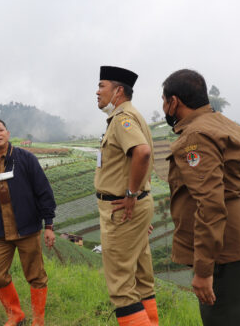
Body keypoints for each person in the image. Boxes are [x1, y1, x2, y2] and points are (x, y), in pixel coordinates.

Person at [162, 69, 240, 325]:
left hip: (223, 256)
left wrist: (204, 269)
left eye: (164, 101)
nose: (163, 107)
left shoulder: (196, 136)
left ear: (175, 102)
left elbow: (210, 203)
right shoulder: (228, 126)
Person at [0, 118, 56, 326]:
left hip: (27, 229)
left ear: (8, 133)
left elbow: (44, 192)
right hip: (0, 233)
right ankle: (16, 314)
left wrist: (49, 225)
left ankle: (38, 319)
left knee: (36, 275)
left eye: (0, 129)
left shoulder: (26, 159)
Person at [94, 66, 158, 326]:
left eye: (102, 86)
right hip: (135, 209)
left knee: (121, 286)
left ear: (118, 91)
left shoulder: (122, 119)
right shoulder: (132, 116)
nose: (97, 91)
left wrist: (131, 195)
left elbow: (141, 153)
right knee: (142, 280)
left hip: (122, 209)